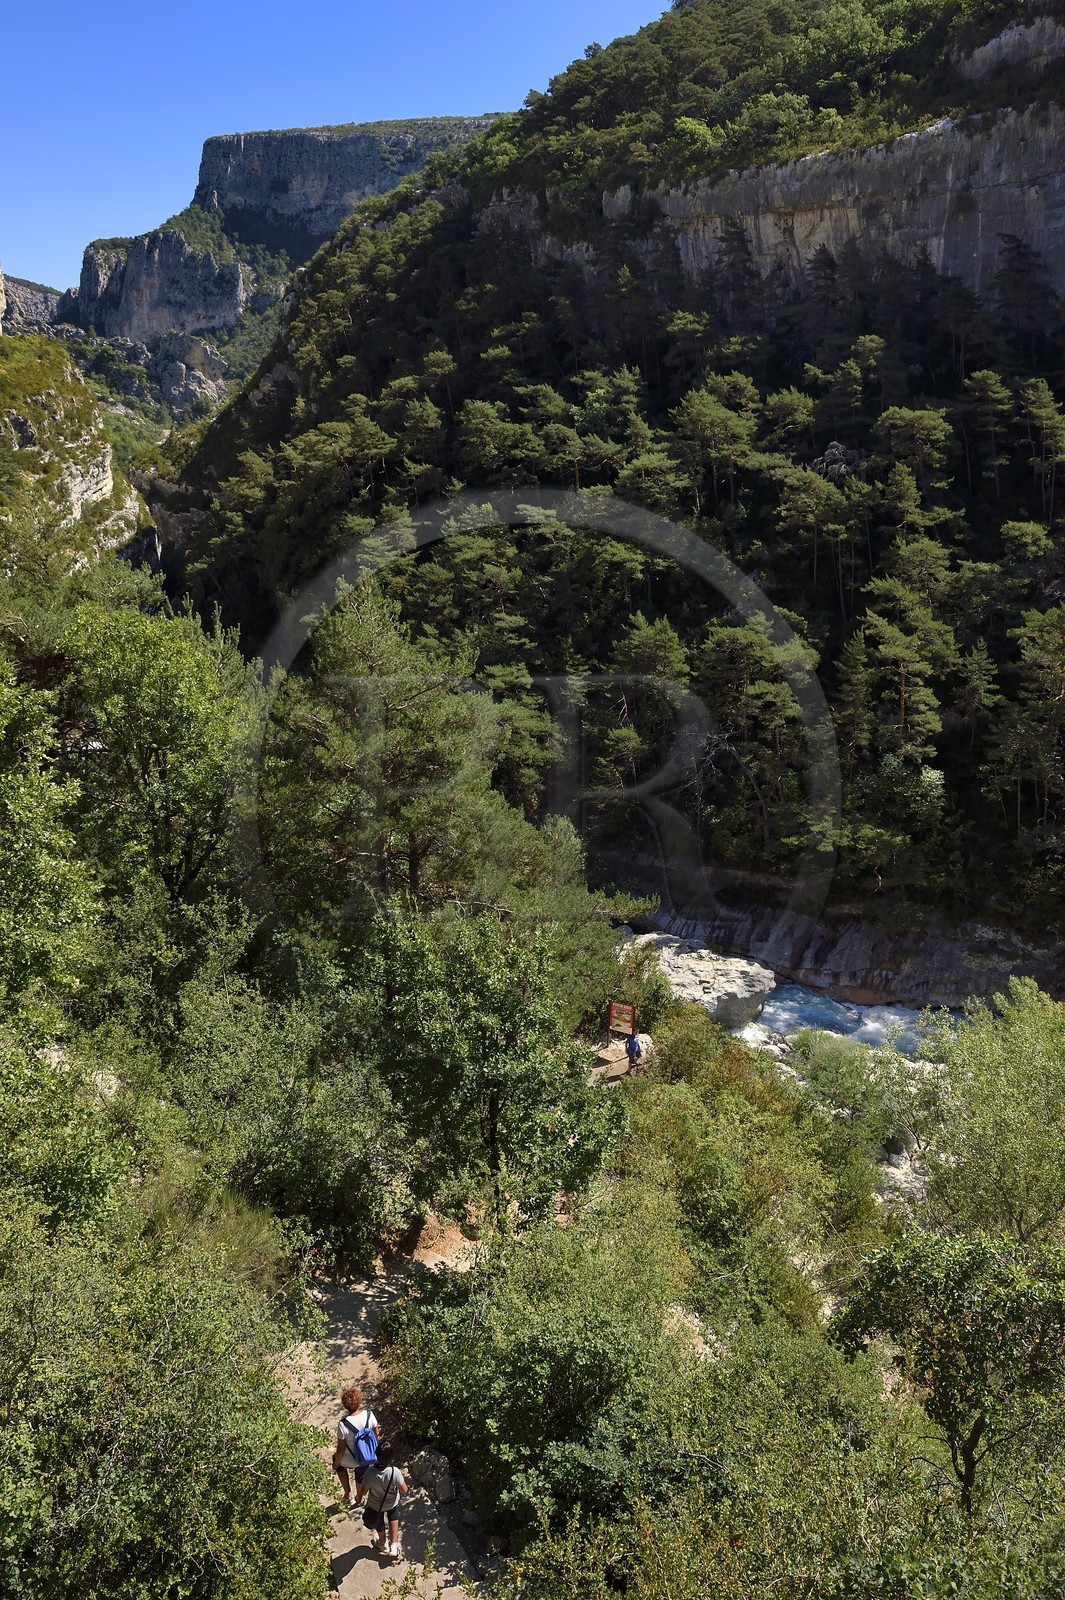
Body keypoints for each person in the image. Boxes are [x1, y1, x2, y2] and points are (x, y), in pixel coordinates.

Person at [333, 1386, 379, 1508]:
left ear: (345, 1405)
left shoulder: (343, 1424)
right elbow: (376, 1434)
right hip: (365, 1457)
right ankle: (359, 1498)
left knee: (337, 1462)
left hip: (349, 1459)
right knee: (360, 1474)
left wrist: (336, 1463)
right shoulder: (369, 1415)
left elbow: (341, 1449)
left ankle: (348, 1496)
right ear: (359, 1401)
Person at [361, 1441, 408, 1559]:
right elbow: (404, 1490)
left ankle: (383, 1544)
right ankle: (394, 1545)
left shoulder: (370, 1472)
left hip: (375, 1504)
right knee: (393, 1516)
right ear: (391, 1456)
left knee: (379, 1522)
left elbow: (363, 1491)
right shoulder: (394, 1471)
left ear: (376, 1454)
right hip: (392, 1502)